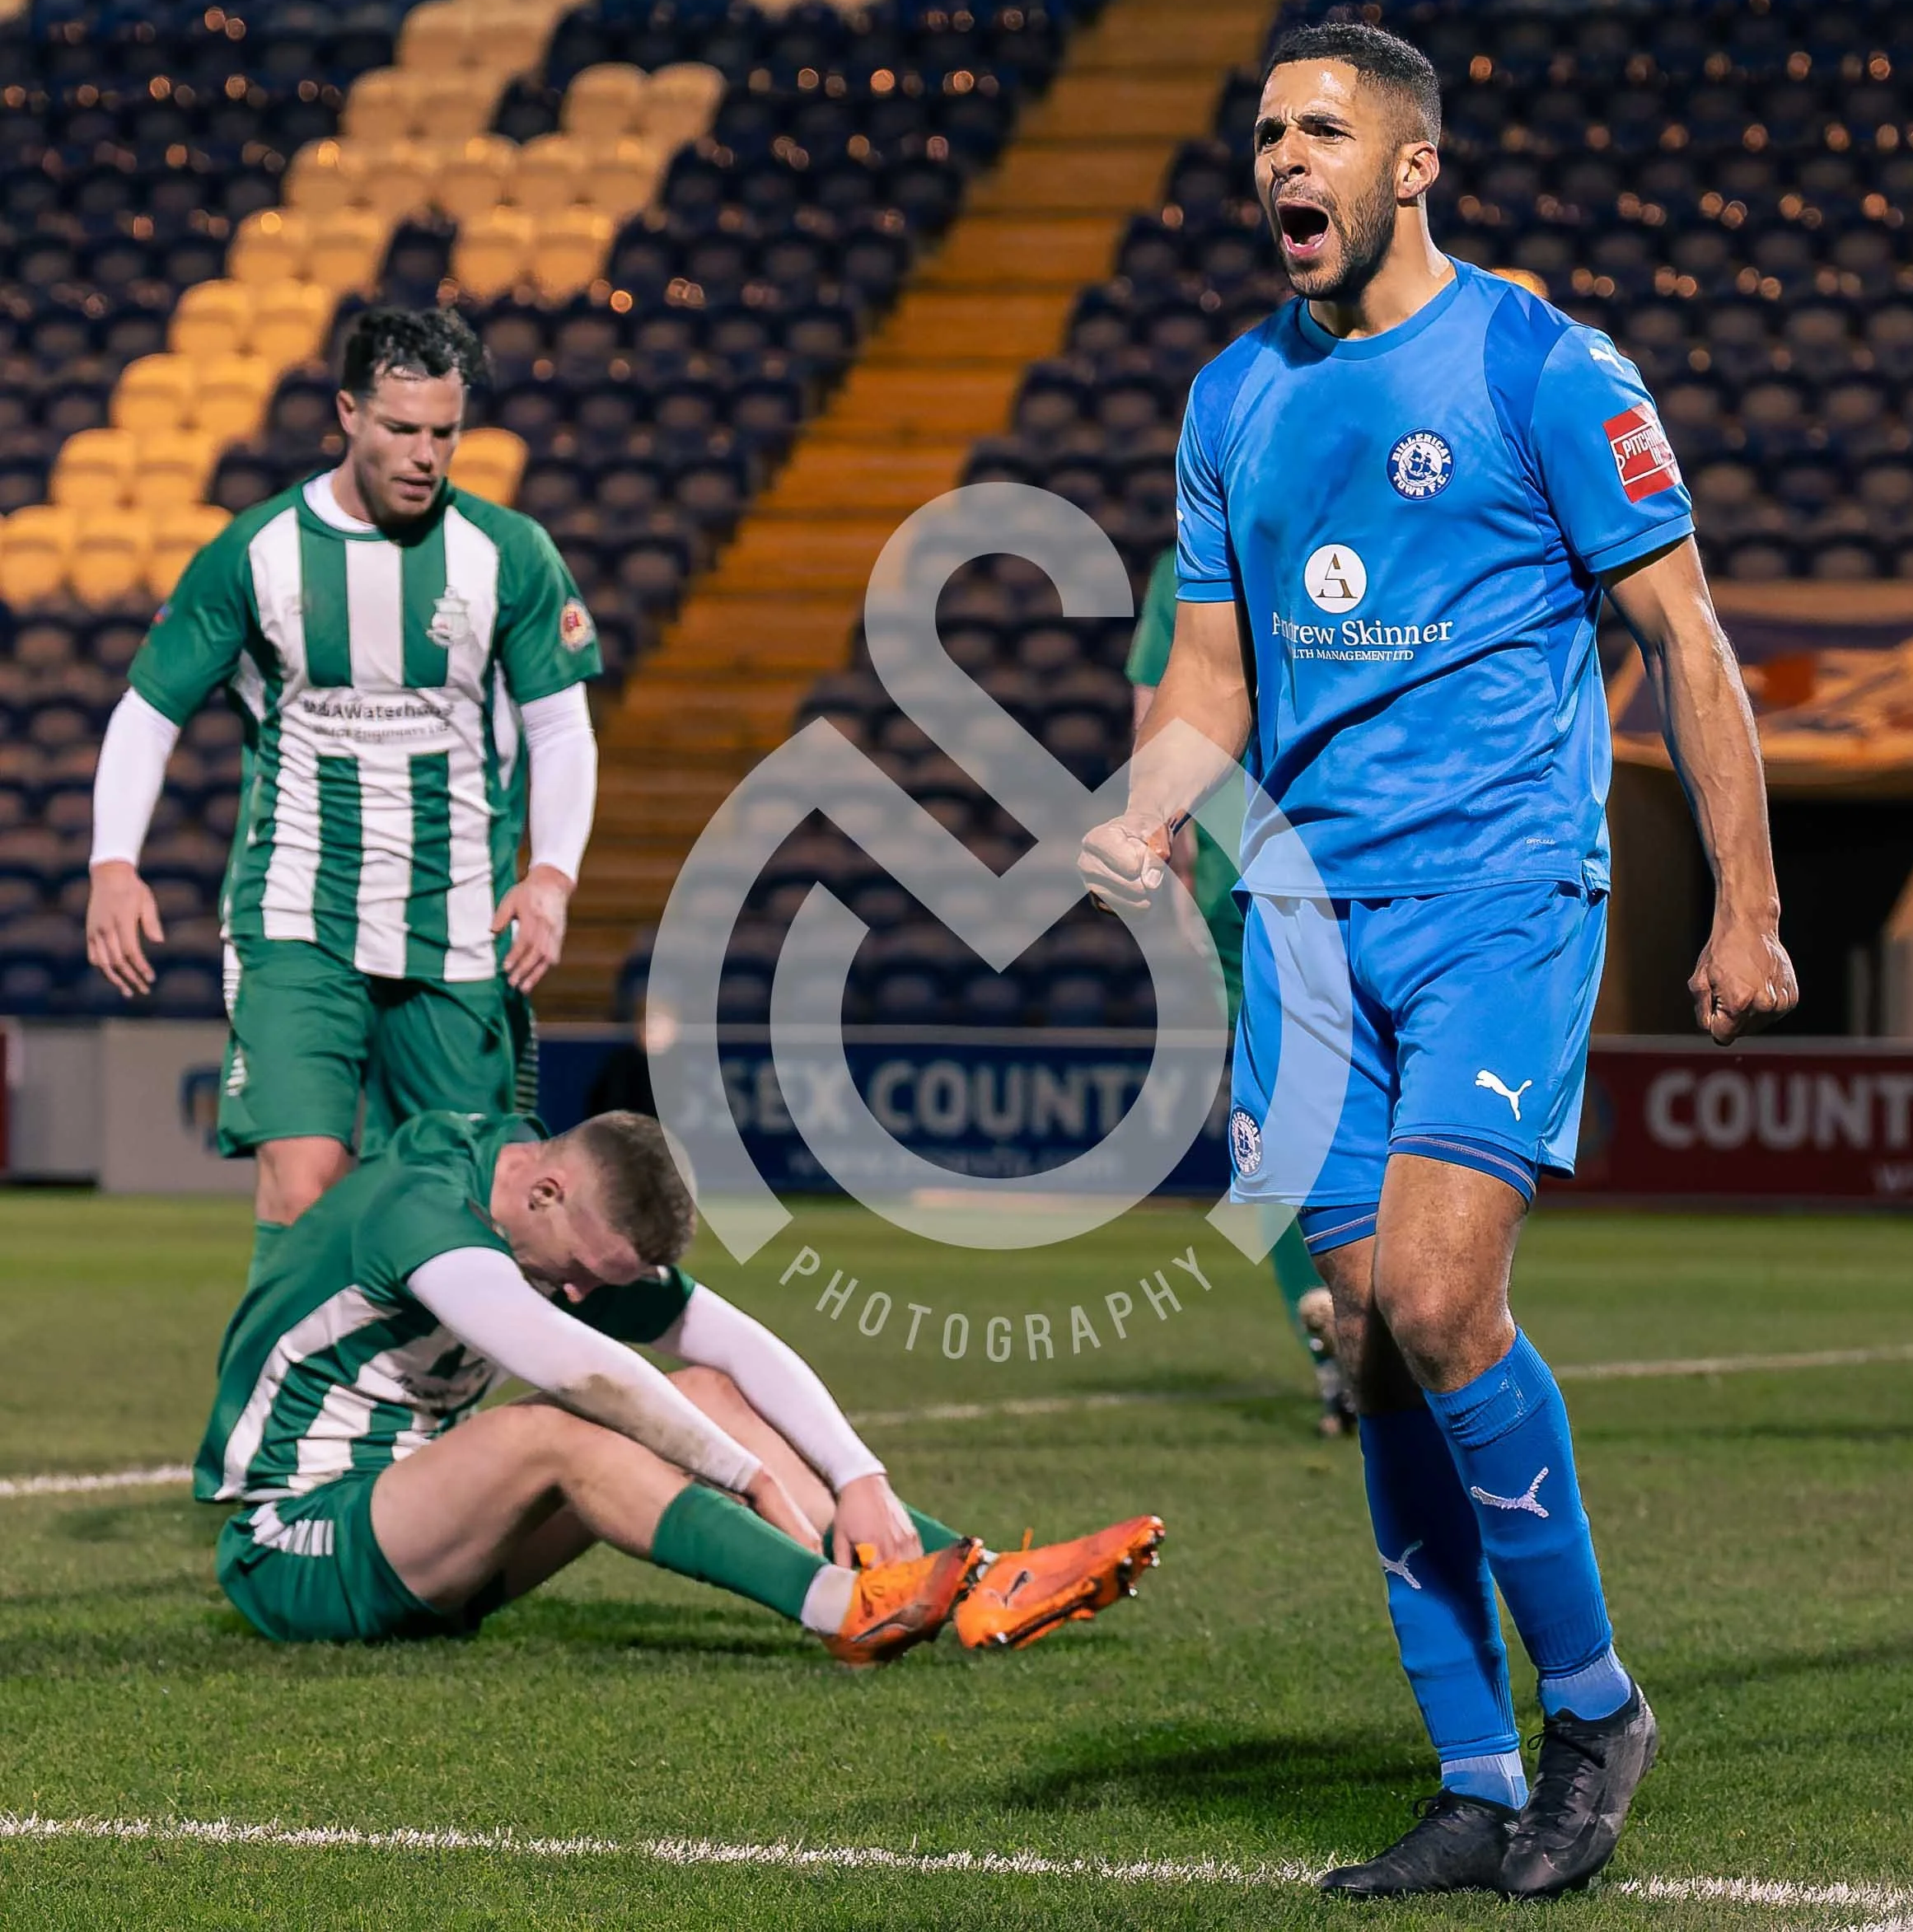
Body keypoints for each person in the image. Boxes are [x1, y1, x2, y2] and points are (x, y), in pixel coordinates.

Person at [1079, 22, 1795, 1901]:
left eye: (1319, 129)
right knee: (1376, 1350)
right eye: (1261, 134)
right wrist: (1149, 808)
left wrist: (1745, 902)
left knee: (1441, 1295)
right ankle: (1473, 1773)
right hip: (1306, 928)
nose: (1279, 160)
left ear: (1411, 166)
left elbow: (1682, 636)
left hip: (1496, 895)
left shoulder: (1540, 365)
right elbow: (1212, 678)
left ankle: (1594, 1710)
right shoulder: (1231, 397)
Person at [194, 1106, 1165, 1659]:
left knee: (706, 1389)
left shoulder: (545, 1216)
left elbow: (736, 1345)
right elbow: (580, 1368)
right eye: (580, 1268)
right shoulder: (422, 1214)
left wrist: (858, 1474)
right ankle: (839, 1606)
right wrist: (745, 1477)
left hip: (430, 1533)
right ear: (543, 1191)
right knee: (563, 1430)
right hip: (296, 1545)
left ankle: (982, 1580)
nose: (578, 1290)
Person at [86, 306, 601, 1285]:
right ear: (347, 414)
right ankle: (273, 1434)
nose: (424, 455)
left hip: (454, 927)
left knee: (462, 1203)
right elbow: (148, 711)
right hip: (298, 916)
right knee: (303, 1181)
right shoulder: (257, 551)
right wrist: (113, 863)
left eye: (444, 432)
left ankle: (411, 1429)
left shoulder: (510, 553)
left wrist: (552, 877)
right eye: (401, 429)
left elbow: (561, 728)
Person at [1126, 545, 1354, 1438]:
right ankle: (1369, 1329)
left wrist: (1157, 842)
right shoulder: (1347, 537)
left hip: (1238, 884)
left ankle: (1339, 1334)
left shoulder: (1184, 567)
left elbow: (1157, 716)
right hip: (1349, 864)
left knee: (1274, 1127)